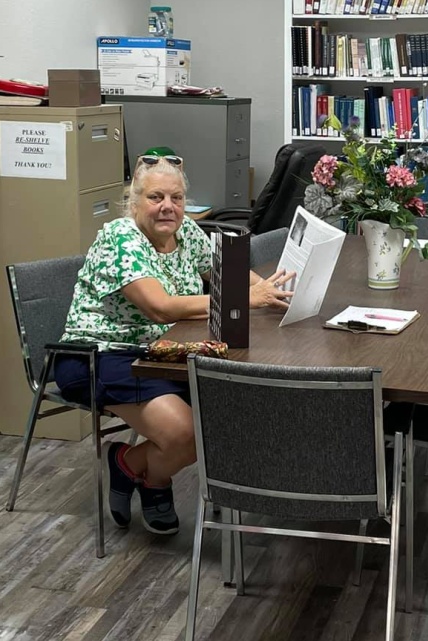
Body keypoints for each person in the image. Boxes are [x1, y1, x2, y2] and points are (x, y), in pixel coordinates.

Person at [53, 154, 294, 535]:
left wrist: (271, 289)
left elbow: (230, 273)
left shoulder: (186, 233)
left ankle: (131, 466)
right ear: (134, 203)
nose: (168, 206)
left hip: (165, 351)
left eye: (176, 198)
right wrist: (247, 298)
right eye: (156, 197)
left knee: (226, 415)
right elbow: (160, 307)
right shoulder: (120, 238)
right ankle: (154, 479)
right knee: (187, 434)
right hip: (101, 354)